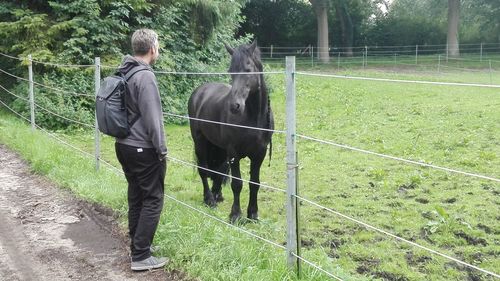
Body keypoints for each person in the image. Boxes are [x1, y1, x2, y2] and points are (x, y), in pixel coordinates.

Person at [114, 28, 168, 271]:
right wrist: (161, 149)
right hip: (142, 148)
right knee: (153, 198)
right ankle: (141, 255)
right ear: (153, 48)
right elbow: (153, 118)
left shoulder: (124, 70)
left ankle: (137, 245)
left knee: (136, 196)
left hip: (123, 145)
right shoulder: (145, 76)